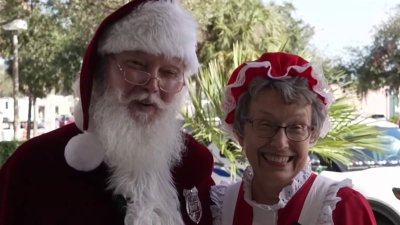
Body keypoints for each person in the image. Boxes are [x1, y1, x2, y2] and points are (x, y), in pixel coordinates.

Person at [0, 1, 214, 225]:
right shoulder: (35, 167)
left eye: (169, 72)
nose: (152, 85)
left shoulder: (194, 166)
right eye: (137, 65)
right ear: (100, 72)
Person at [210, 52, 377, 225]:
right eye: (265, 124)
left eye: (297, 127)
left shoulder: (342, 208)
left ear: (312, 133)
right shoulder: (221, 209)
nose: (280, 143)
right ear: (240, 131)